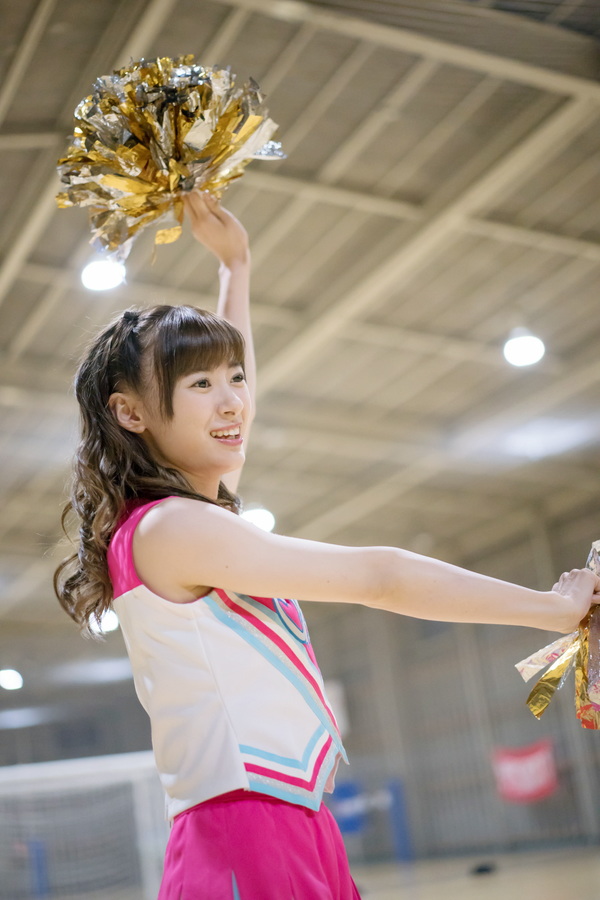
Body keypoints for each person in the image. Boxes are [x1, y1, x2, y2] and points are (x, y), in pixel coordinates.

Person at [55, 190, 600, 900]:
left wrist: (236, 269)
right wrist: (550, 609)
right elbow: (381, 576)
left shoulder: (180, 521)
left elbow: (236, 410)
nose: (233, 400)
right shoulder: (174, 529)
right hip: (247, 830)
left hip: (283, 820)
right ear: (130, 412)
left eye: (236, 378)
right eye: (201, 383)